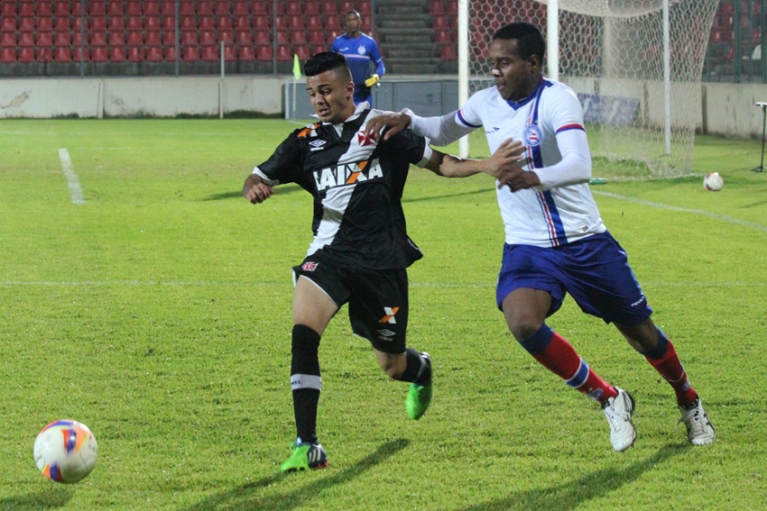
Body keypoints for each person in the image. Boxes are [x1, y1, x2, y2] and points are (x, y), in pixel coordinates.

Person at [365, 22, 715, 451]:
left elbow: (579, 164)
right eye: (492, 63)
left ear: (532, 63)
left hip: (585, 242)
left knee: (641, 334)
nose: (495, 71)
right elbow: (442, 129)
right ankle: (609, 398)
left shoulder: (557, 99)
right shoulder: (486, 102)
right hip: (527, 246)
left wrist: (533, 177)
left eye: (504, 63)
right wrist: (409, 119)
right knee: (522, 321)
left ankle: (688, 400)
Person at [243, 51, 523, 472]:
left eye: (326, 91)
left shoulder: (383, 129)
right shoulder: (304, 141)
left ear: (348, 88)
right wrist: (254, 186)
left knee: (392, 364)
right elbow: (258, 175)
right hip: (329, 255)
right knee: (303, 331)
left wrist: (487, 165)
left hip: (381, 262)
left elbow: (441, 163)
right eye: (312, 93)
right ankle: (307, 444)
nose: (319, 100)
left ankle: (421, 370)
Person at [330, 10, 385, 107]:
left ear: (360, 22)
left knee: (365, 117)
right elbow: (329, 66)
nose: (351, 23)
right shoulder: (338, 42)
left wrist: (376, 77)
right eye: (349, 20)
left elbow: (381, 66)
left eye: (354, 20)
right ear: (345, 22)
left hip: (364, 97)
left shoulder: (370, 43)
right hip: (344, 96)